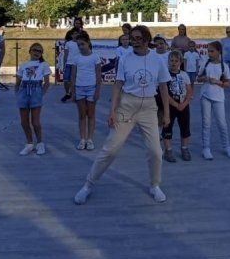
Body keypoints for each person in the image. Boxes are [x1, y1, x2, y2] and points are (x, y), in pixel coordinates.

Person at [73, 25, 171, 205]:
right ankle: (88, 185)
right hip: (127, 106)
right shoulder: (125, 58)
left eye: (138, 38)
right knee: (110, 149)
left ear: (146, 39)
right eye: (132, 38)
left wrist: (166, 114)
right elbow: (118, 85)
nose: (134, 41)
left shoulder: (157, 59)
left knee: (156, 151)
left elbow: (164, 86)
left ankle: (154, 185)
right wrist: (112, 111)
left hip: (149, 107)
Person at [197, 41, 230, 160]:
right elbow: (198, 78)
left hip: (219, 97)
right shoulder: (205, 63)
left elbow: (228, 83)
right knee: (206, 123)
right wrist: (204, 78)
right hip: (205, 96)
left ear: (219, 52)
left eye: (212, 51)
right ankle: (206, 148)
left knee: (222, 123)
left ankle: (226, 146)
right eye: (208, 51)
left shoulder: (224, 66)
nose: (209, 53)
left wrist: (218, 82)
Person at [16, 43, 51, 155]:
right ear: (30, 51)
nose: (37, 52)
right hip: (24, 90)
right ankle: (29, 143)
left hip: (36, 90)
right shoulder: (24, 65)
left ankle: (40, 143)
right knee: (24, 121)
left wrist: (41, 93)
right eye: (35, 50)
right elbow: (18, 81)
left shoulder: (43, 64)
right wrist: (17, 93)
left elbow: (47, 82)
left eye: (40, 51)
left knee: (35, 122)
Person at [70, 31, 102, 150]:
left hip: (91, 88)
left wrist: (97, 90)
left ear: (88, 43)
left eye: (82, 44)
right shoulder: (76, 58)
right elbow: (73, 76)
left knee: (91, 114)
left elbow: (99, 76)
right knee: (82, 115)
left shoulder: (95, 57)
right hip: (79, 88)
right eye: (79, 45)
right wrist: (72, 92)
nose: (81, 47)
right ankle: (82, 139)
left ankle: (90, 139)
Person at [162, 50, 193, 162]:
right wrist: (175, 104)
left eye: (176, 61)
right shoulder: (164, 75)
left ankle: (184, 148)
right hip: (170, 105)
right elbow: (164, 93)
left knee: (185, 128)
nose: (174, 63)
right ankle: (168, 150)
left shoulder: (184, 75)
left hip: (183, 105)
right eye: (171, 60)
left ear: (180, 62)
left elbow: (189, 91)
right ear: (168, 61)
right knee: (167, 127)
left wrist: (184, 103)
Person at [60, 29, 80, 102]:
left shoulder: (80, 43)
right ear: (71, 35)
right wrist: (64, 64)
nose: (76, 35)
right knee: (65, 80)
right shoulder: (68, 43)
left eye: (77, 33)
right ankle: (67, 93)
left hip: (76, 64)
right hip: (68, 64)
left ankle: (74, 95)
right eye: (74, 33)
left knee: (73, 81)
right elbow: (65, 54)